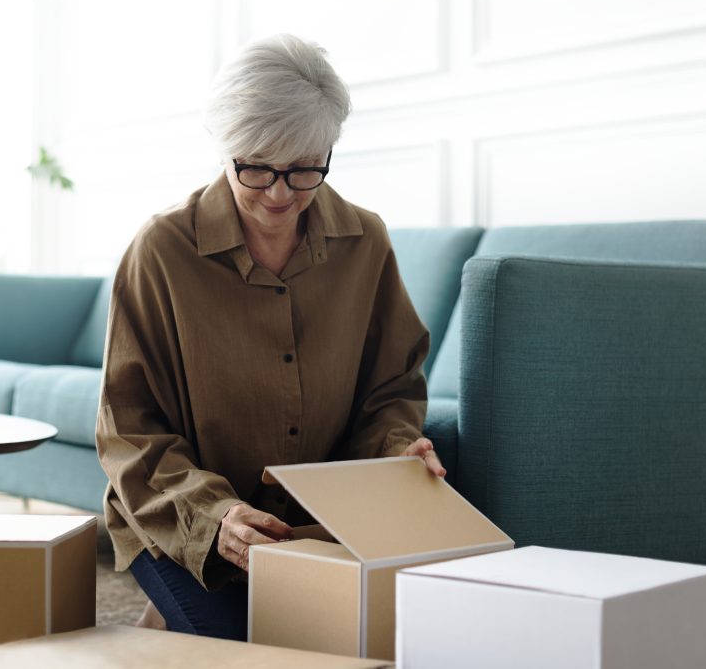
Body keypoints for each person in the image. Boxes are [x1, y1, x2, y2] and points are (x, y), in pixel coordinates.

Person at [95, 33, 444, 642]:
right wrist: (216, 516)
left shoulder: (366, 242)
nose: (280, 193)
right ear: (226, 147)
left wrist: (397, 448)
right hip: (186, 523)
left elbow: (391, 388)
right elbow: (128, 427)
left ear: (329, 149)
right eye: (255, 167)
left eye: (305, 168)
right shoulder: (162, 249)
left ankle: (162, 629)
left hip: (317, 526)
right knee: (246, 650)